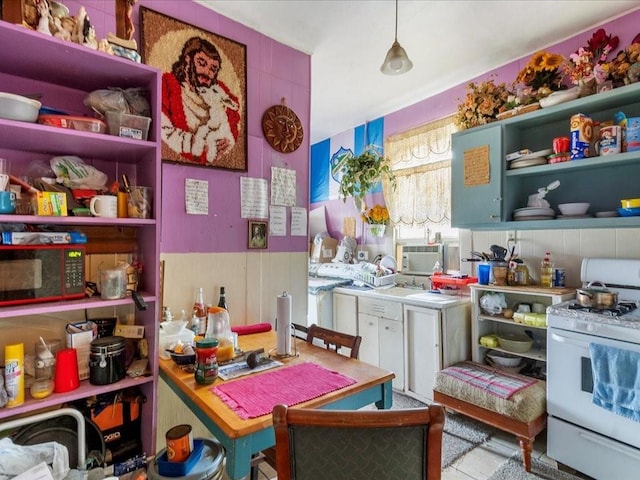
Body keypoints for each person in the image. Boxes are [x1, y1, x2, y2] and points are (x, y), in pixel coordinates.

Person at [162, 37, 241, 165]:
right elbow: (164, 134)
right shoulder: (168, 86)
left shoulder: (220, 96)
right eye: (201, 63)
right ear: (187, 61)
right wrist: (198, 145)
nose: (207, 73)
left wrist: (224, 146)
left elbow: (230, 137)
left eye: (213, 69)